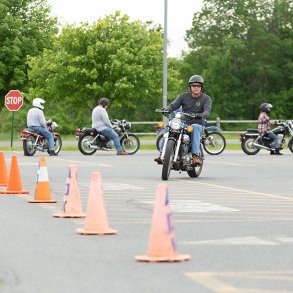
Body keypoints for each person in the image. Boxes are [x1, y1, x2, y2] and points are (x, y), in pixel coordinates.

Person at [154, 75, 212, 165]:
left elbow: (207, 111)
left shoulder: (206, 98)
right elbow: (173, 105)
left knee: (195, 126)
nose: (196, 88)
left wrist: (199, 115)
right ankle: (163, 154)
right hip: (184, 123)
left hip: (197, 124)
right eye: (194, 86)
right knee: (169, 125)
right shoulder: (183, 96)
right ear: (190, 87)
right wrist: (167, 109)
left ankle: (195, 156)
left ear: (201, 87)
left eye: (198, 86)